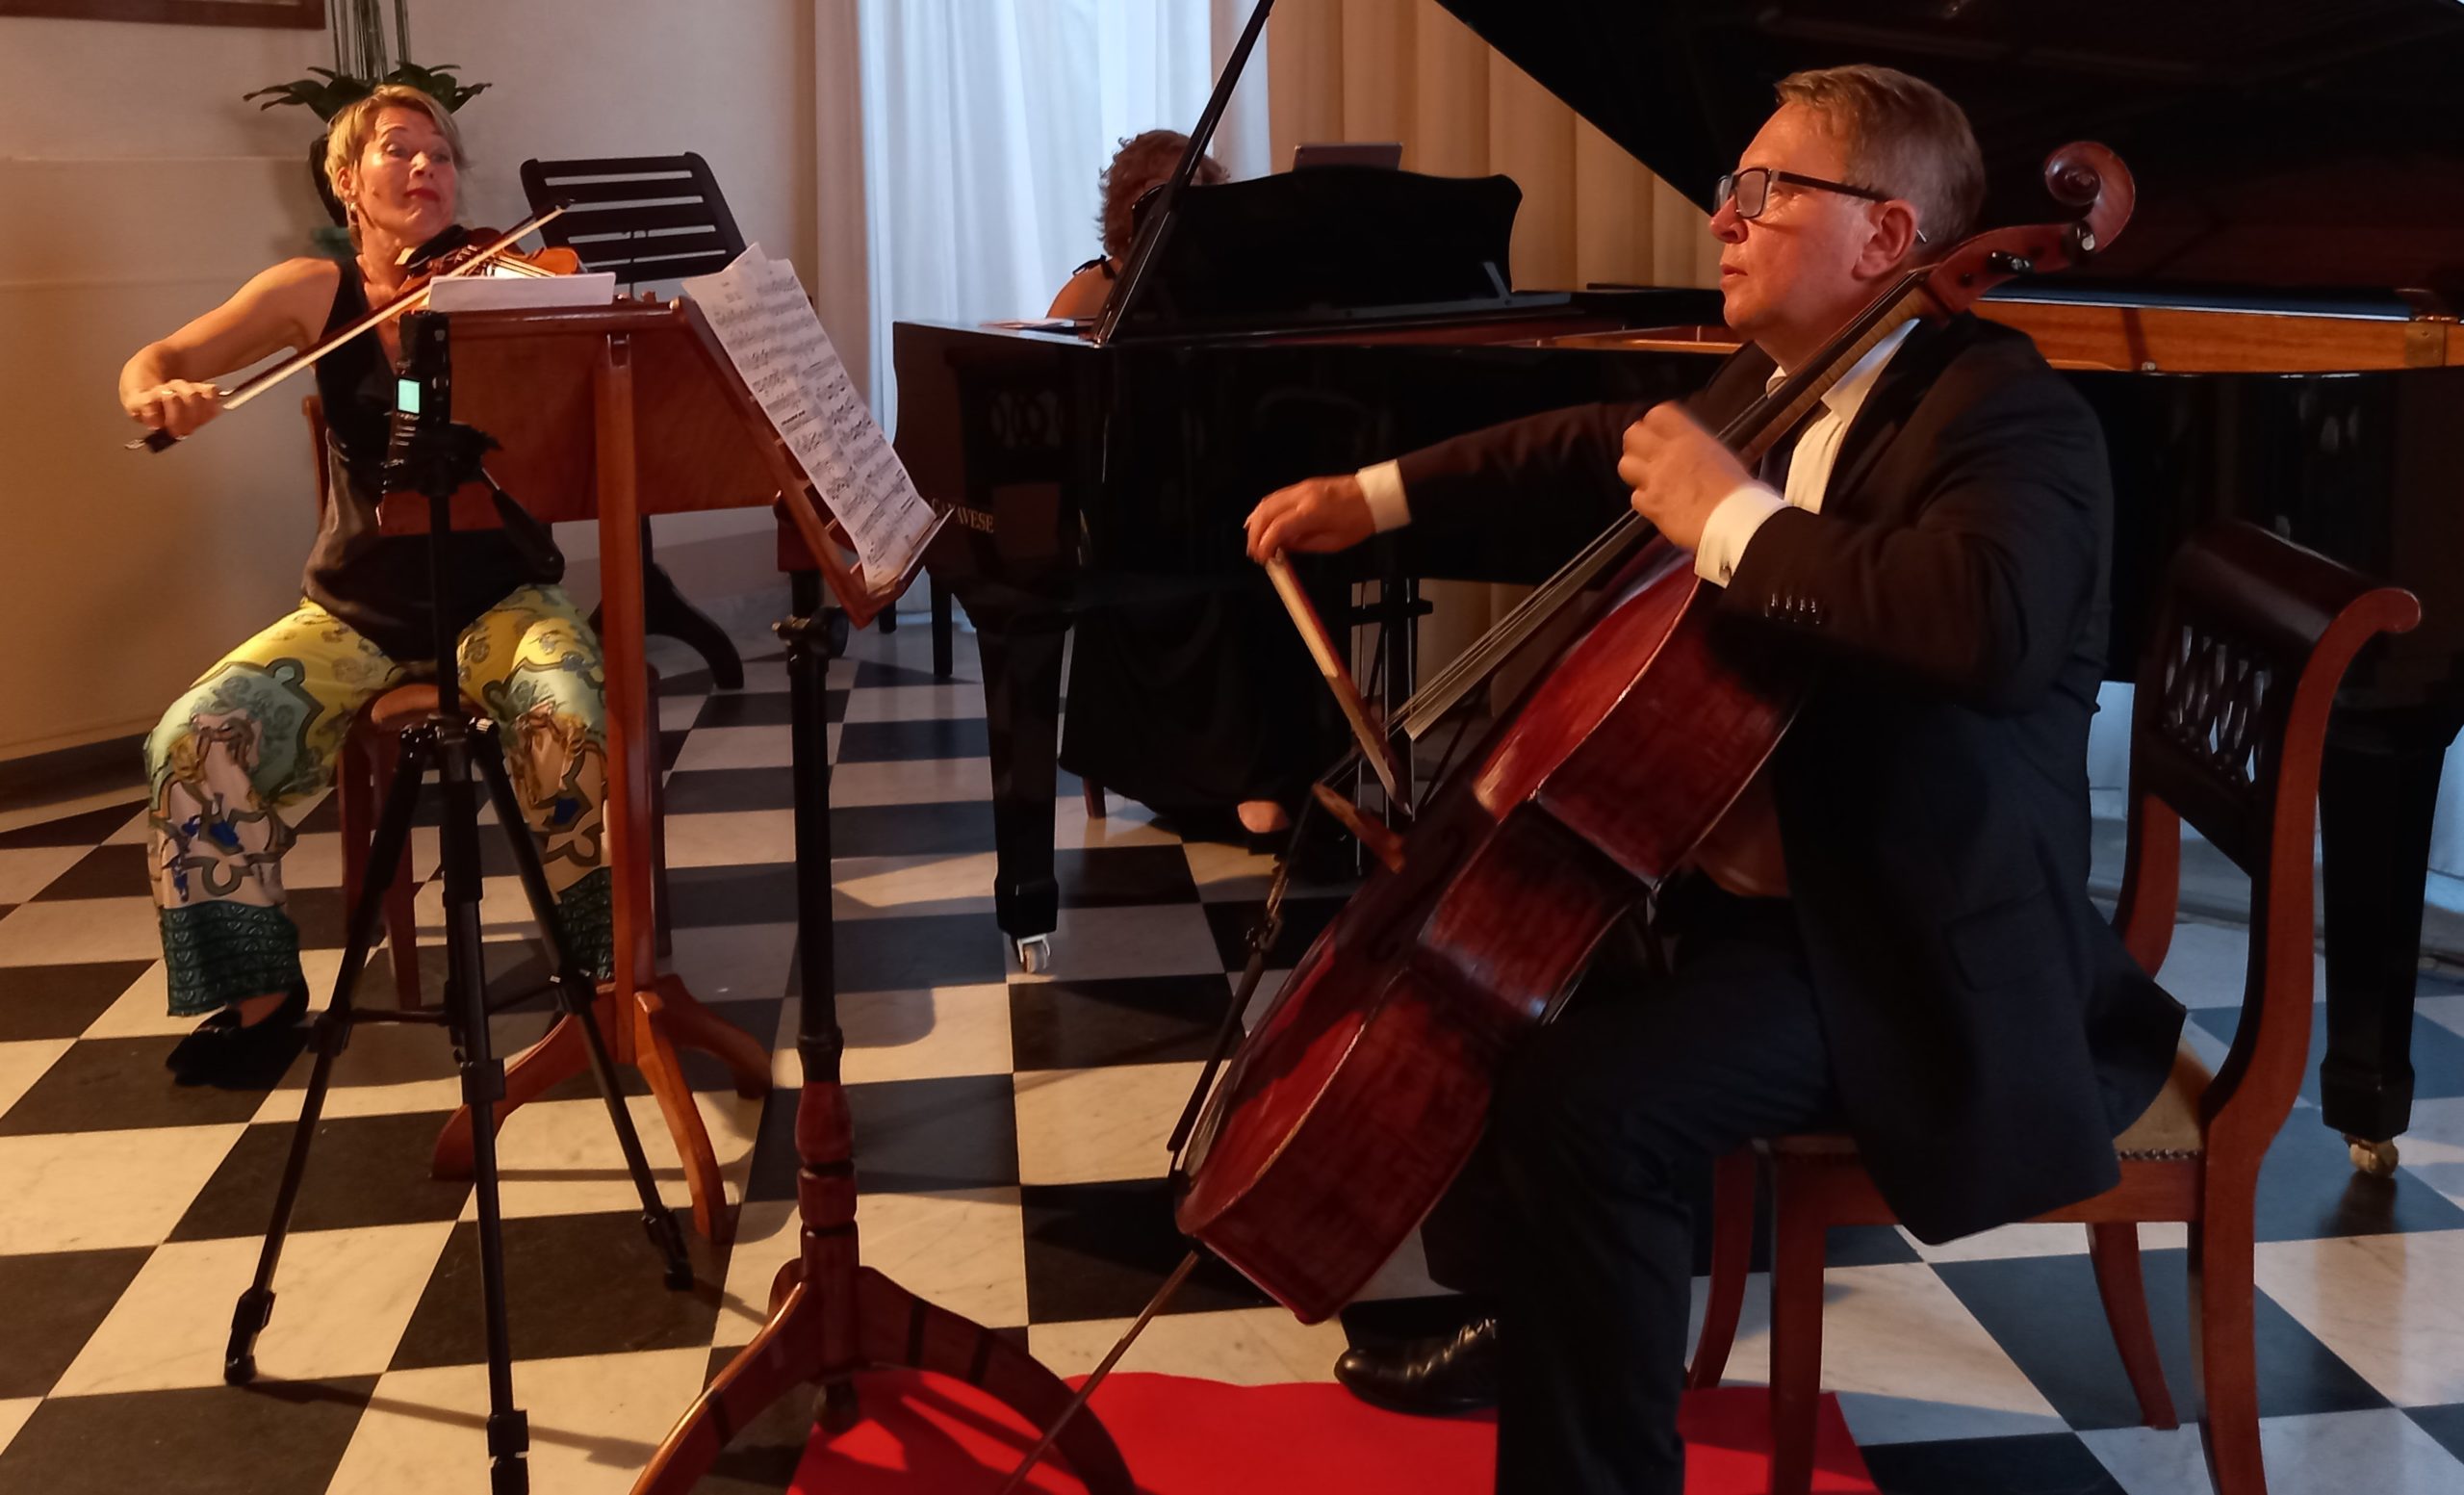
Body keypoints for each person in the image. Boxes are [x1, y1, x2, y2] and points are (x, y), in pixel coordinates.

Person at [1244, 64, 2186, 1495]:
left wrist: (1731, 516)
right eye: (1731, 188)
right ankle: (1526, 1317)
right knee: (1499, 1002)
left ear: (1884, 235)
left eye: (1764, 189)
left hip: (1906, 947)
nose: (1723, 216)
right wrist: (1373, 497)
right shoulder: (1786, 383)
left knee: (1593, 1104)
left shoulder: (2010, 414)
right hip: (1771, 902)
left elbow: (1985, 629)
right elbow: (1602, 447)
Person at [122, 85, 612, 1085]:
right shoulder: (314, 290)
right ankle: (262, 1001)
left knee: (570, 714)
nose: (427, 166)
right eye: (398, 149)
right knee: (193, 737)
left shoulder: (500, 280)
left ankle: (599, 977)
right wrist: (159, 392)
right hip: (358, 610)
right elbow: (158, 358)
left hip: (500, 597)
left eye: (442, 153)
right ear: (347, 182)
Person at [1049, 130, 1337, 841]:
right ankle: (1244, 781)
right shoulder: (1095, 287)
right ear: (1134, 210)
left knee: (1281, 535)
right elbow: (1056, 409)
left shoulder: (1229, 293)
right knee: (1225, 555)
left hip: (1215, 487)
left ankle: (1300, 765)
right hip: (1136, 511)